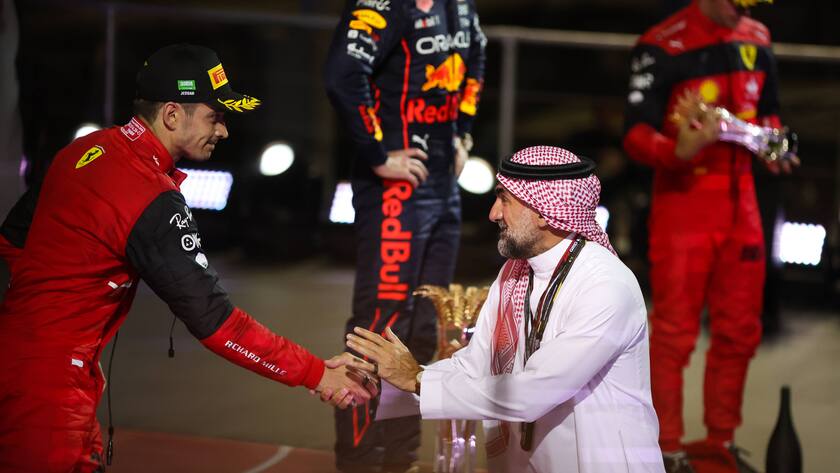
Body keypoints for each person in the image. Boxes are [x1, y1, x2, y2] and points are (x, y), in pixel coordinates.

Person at [0, 44, 377, 473]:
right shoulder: (149, 196)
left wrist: (47, 317)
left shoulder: (84, 150)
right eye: (215, 116)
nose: (224, 131)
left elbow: (12, 242)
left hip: (32, 367)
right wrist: (317, 374)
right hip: (49, 389)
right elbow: (217, 324)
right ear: (173, 115)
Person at [346, 146, 665, 472]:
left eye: (505, 200)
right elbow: (476, 367)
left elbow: (536, 391)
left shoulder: (605, 286)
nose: (493, 213)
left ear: (544, 211)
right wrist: (382, 381)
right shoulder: (515, 274)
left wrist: (416, 380)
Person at [622, 1, 797, 471]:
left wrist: (773, 144)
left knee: (740, 332)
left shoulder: (757, 37)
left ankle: (721, 442)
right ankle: (666, 449)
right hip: (683, 205)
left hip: (744, 209)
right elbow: (634, 132)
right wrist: (676, 149)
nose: (739, 10)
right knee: (674, 334)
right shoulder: (662, 43)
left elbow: (771, 114)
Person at [324, 0, 486, 471]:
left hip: (441, 183)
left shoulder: (461, 5)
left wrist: (464, 136)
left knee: (423, 327)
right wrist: (377, 153)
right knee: (381, 325)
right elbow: (341, 76)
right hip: (395, 189)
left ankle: (401, 458)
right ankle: (358, 461)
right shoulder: (380, 5)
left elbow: (476, 57)